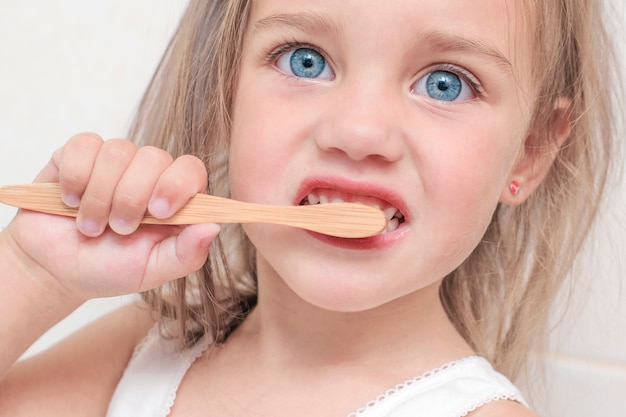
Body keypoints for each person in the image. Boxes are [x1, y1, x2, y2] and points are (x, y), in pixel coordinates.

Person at [0, 0, 621, 416]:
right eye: (306, 61)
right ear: (226, 96)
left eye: (445, 83)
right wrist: (31, 275)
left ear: (529, 151)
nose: (358, 131)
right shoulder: (147, 350)